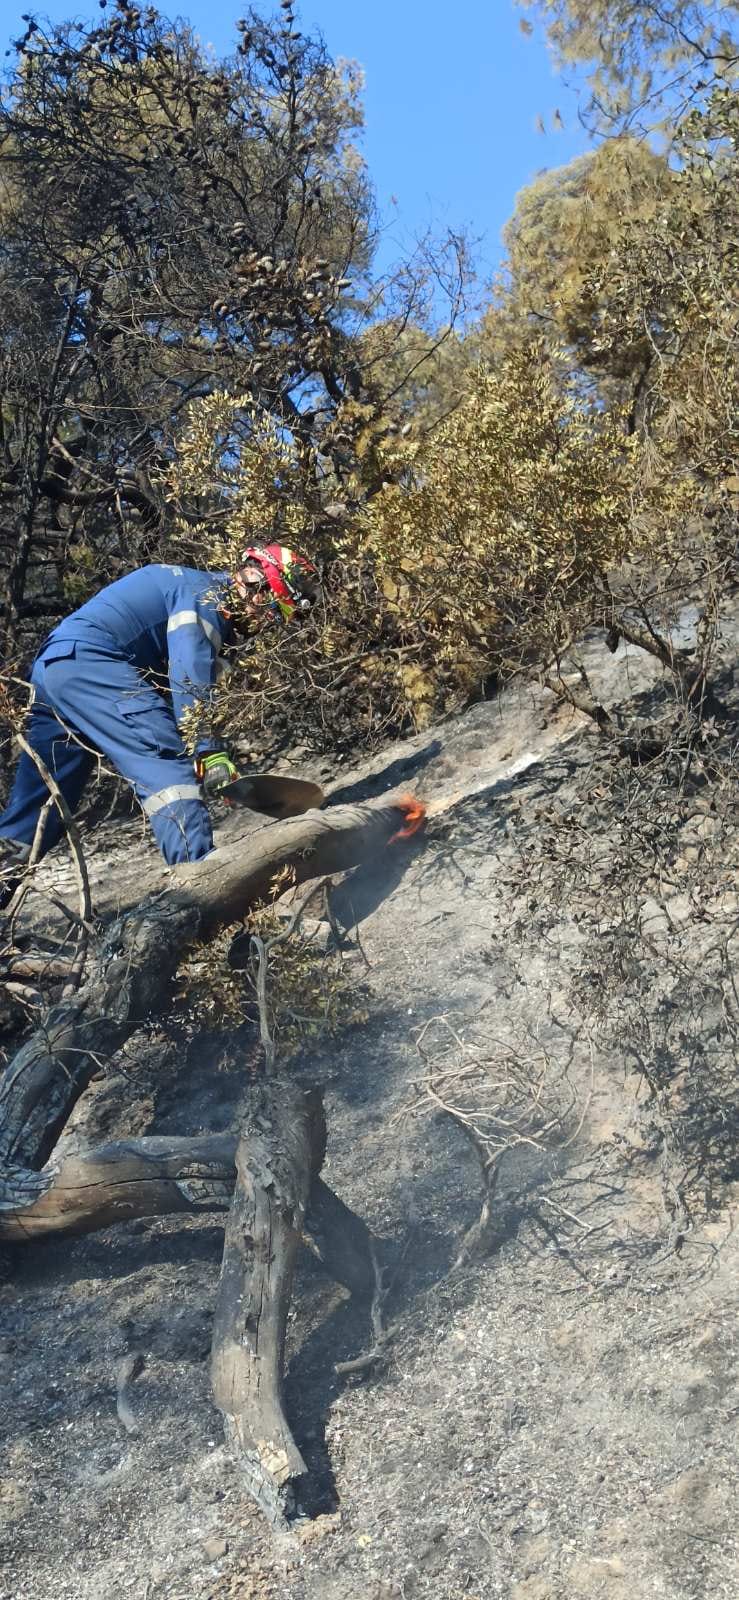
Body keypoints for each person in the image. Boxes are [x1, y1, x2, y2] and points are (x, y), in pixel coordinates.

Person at [0, 545, 320, 897]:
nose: (264, 623)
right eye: (270, 611)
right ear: (258, 584)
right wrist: (209, 751)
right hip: (89, 661)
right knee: (165, 765)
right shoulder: (205, 598)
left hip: (55, 668)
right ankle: (200, 887)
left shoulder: (194, 590)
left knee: (38, 807)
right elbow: (189, 679)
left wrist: (207, 750)